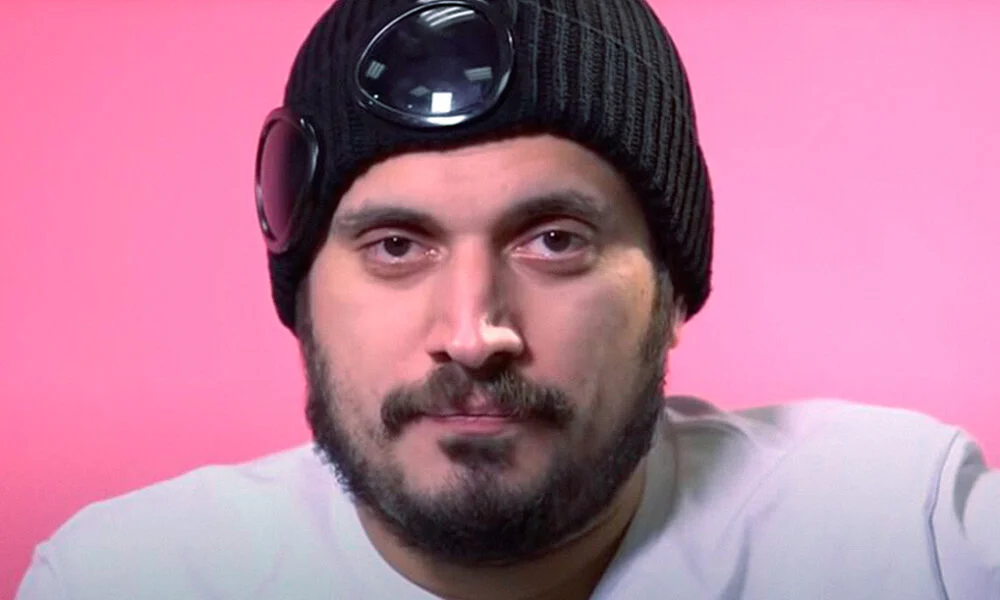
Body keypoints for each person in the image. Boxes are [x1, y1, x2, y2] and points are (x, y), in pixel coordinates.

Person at [17, 0, 1000, 598]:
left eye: (553, 241)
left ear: (672, 289)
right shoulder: (128, 580)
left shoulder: (910, 535)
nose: (472, 333)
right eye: (396, 246)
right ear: (302, 296)